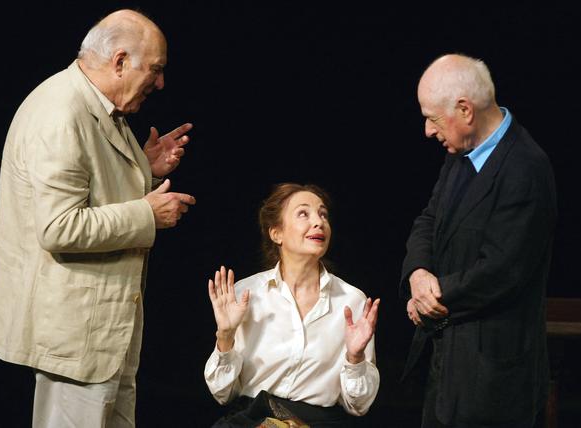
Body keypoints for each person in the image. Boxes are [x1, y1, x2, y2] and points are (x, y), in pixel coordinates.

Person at [0, 9, 196, 427]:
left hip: (101, 331)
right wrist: (147, 214)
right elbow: (58, 227)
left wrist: (144, 168)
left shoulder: (96, 106)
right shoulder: (61, 113)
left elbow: (91, 184)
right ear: (119, 62)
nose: (160, 83)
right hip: (73, 335)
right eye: (154, 70)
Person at [399, 53, 557, 428]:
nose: (427, 130)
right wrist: (418, 274)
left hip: (492, 381)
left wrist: (429, 300)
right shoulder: (459, 154)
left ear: (465, 110)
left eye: (432, 118)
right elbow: (429, 219)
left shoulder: (526, 169)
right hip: (446, 368)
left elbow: (502, 270)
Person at [204, 183, 381, 427]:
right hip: (253, 420)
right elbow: (222, 394)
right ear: (276, 233)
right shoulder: (246, 294)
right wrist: (225, 336)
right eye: (303, 213)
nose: (318, 222)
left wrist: (355, 356)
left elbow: (359, 405)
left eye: (323, 214)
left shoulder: (351, 302)